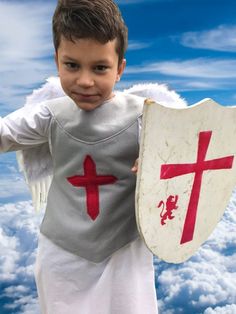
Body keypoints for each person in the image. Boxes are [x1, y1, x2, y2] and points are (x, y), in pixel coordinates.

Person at [0, 0, 158, 313]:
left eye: (100, 67)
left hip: (123, 250)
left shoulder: (147, 116)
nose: (85, 81)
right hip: (63, 255)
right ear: (57, 61)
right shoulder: (50, 114)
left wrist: (158, 161)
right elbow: (4, 133)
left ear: (119, 69)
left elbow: (187, 151)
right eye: (72, 65)